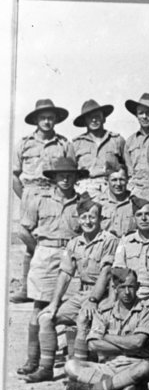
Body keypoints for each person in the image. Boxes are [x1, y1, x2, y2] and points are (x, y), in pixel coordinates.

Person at [25, 197, 117, 382]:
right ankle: (45, 368)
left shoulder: (109, 240)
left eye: (92, 217)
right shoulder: (74, 243)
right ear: (78, 219)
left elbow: (106, 274)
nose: (88, 222)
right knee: (45, 317)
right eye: (84, 217)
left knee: (83, 319)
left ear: (100, 219)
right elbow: (65, 274)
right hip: (82, 294)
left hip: (104, 296)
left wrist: (93, 300)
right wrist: (53, 303)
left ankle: (79, 374)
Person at [17, 157, 86, 376]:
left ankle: (73, 364)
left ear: (76, 177)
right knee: (39, 307)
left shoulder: (82, 202)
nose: (65, 179)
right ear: (54, 177)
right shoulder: (40, 199)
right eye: (61, 175)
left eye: (69, 175)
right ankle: (33, 360)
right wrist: (39, 249)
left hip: (72, 254)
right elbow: (23, 230)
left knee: (72, 308)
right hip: (45, 254)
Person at [63, 268, 149, 390]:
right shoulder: (104, 312)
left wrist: (106, 336)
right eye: (122, 287)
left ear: (138, 287)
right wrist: (131, 348)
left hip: (136, 364)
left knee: (146, 368)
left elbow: (138, 342)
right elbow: (93, 345)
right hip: (109, 366)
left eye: (131, 287)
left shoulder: (148, 310)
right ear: (114, 288)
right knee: (71, 366)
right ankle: (122, 385)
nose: (126, 292)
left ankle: (95, 389)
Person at [12, 99, 72, 303]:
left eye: (50, 118)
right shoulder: (24, 142)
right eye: (43, 118)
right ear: (36, 120)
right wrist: (25, 199)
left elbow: (70, 169)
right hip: (30, 192)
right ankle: (26, 287)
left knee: (50, 238)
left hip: (54, 192)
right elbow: (14, 175)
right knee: (26, 237)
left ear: (55, 119)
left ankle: (53, 285)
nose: (47, 121)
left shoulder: (64, 143)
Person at [68, 99, 125, 197]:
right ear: (85, 121)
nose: (94, 120)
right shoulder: (76, 144)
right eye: (90, 117)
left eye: (97, 116)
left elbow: (128, 169)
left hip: (111, 188)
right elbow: (69, 172)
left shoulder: (117, 140)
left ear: (104, 118)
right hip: (84, 189)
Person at [97, 162, 138, 238]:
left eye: (122, 179)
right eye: (114, 180)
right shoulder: (98, 203)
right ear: (107, 180)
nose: (118, 184)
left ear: (127, 180)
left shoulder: (136, 203)